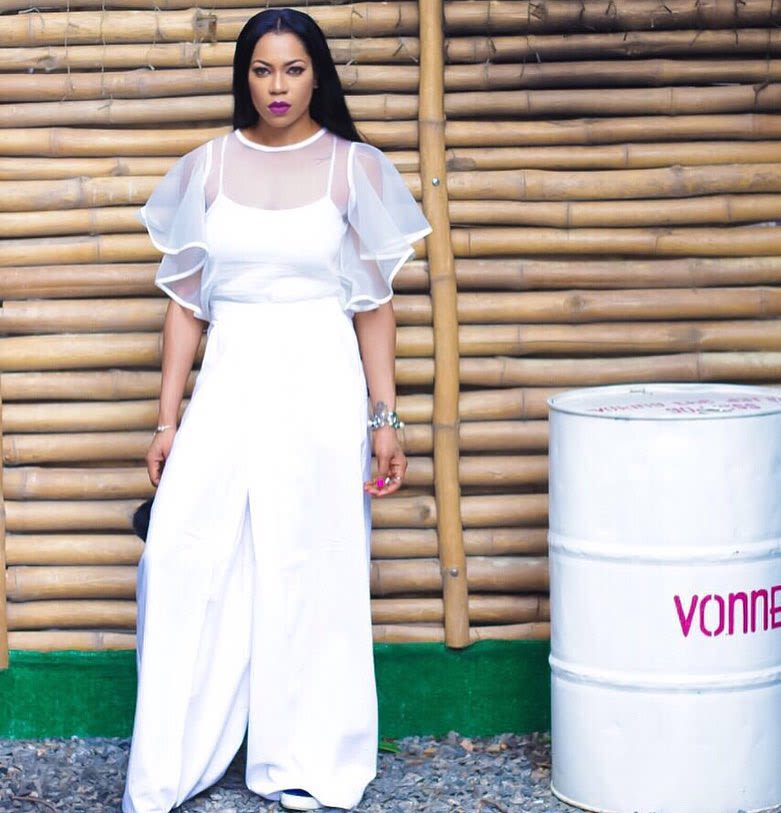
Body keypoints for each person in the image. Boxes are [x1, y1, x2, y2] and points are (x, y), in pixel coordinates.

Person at [121, 8, 431, 813]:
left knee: (313, 559)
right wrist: (167, 420)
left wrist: (384, 418)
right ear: (244, 77)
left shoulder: (354, 168)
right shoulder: (207, 167)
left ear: (316, 74)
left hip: (321, 383)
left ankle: (307, 761)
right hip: (230, 379)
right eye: (262, 69)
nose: (278, 86)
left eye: (293, 68)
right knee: (180, 554)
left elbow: (373, 307)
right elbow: (186, 307)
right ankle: (173, 764)